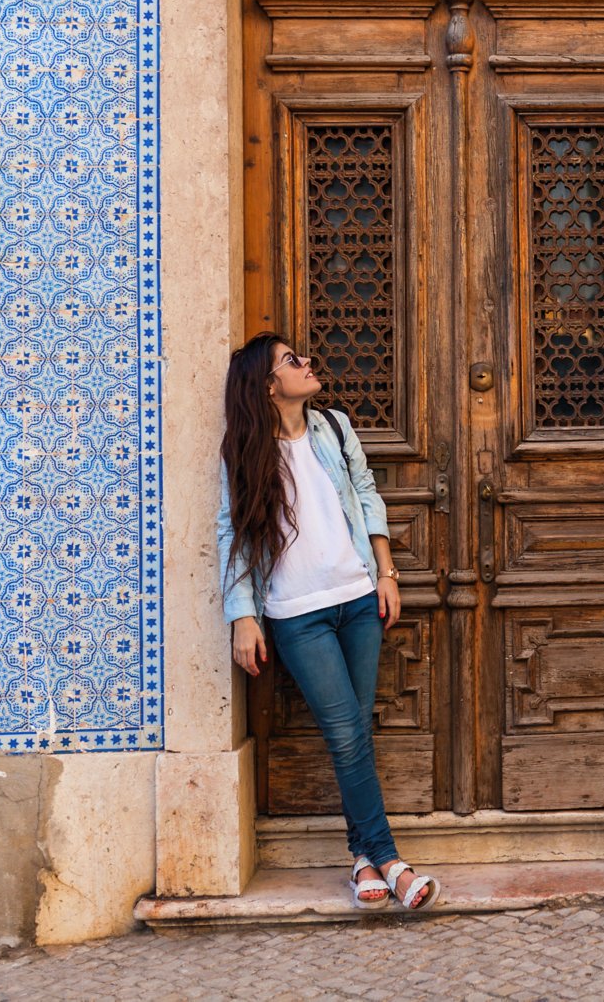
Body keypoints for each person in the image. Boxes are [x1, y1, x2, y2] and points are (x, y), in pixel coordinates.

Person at [215, 333, 438, 910]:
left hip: (358, 597)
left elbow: (366, 495)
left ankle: (362, 860)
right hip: (297, 614)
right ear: (268, 387)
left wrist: (387, 573)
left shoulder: (334, 427)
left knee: (354, 733)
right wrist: (242, 615)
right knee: (345, 734)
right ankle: (390, 860)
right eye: (292, 361)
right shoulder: (243, 451)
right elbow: (233, 534)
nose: (307, 363)